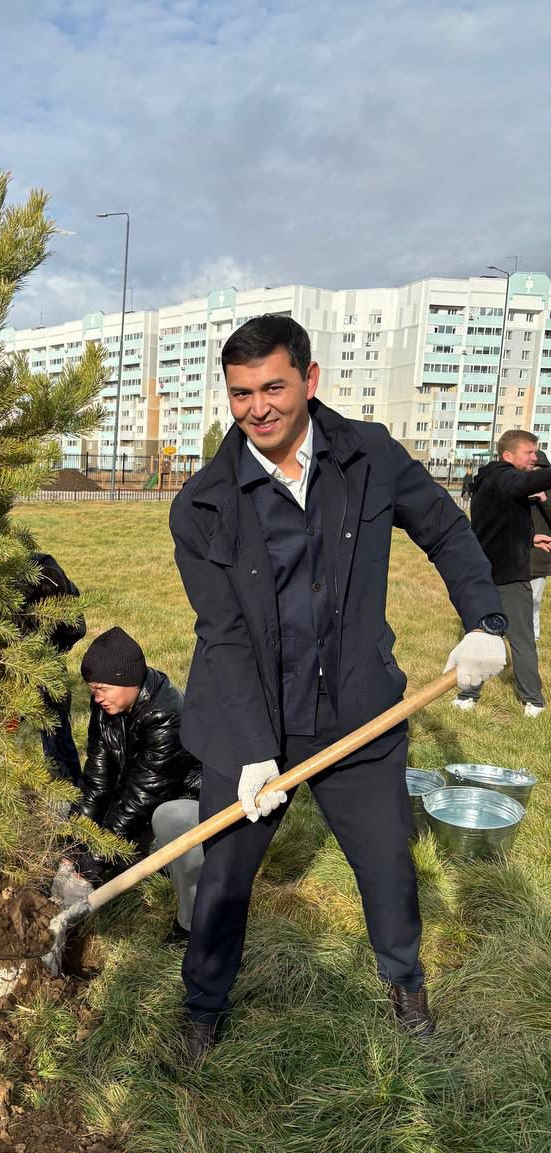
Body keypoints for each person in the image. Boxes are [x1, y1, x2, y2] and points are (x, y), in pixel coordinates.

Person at [169, 314, 506, 1062]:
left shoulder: (370, 455)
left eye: (273, 387)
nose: (258, 407)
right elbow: (221, 635)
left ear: (310, 381)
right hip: (251, 721)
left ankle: (405, 984)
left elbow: (448, 532)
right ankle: (204, 1009)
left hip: (356, 709)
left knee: (388, 860)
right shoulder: (201, 504)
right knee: (224, 874)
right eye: (241, 393)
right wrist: (254, 753)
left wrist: (486, 620)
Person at [52, 627, 202, 934]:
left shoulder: (168, 718)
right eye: (93, 689)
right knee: (63, 809)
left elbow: (140, 798)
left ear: (127, 680)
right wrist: (74, 846)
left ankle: (191, 923)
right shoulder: (107, 708)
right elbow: (97, 779)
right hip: (137, 804)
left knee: (168, 822)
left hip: (182, 807)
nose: (96, 697)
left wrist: (93, 859)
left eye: (102, 688)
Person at [462, 430, 551, 716]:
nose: (535, 458)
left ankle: (467, 696)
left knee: (480, 634)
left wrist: (530, 538)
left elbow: (496, 527)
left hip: (483, 573)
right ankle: (533, 702)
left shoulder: (489, 480)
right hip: (507, 578)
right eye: (530, 453)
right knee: (521, 640)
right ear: (508, 455)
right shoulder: (504, 476)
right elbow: (525, 482)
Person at [19, 552, 86, 786]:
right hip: (3, 658)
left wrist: (49, 651)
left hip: (48, 658)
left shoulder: (59, 586)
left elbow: (76, 629)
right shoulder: (7, 588)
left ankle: (68, 789)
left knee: (55, 722)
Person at [529, 450, 551, 640]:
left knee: (534, 599)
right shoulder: (516, 489)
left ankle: (533, 636)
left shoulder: (547, 493)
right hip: (514, 554)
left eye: (539, 470)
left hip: (540, 558)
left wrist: (544, 498)